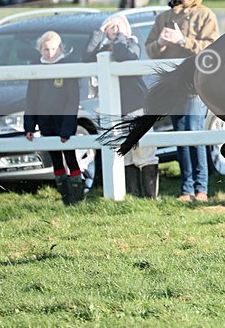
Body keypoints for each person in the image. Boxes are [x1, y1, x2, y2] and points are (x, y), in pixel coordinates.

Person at [146, 0, 219, 202]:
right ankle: (186, 189)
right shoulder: (164, 17)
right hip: (173, 86)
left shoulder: (206, 15)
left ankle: (202, 189)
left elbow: (212, 49)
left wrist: (182, 41)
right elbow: (149, 49)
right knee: (180, 135)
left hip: (197, 84)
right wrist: (160, 43)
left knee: (194, 132)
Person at [84, 14, 157, 198]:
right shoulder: (101, 51)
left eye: (118, 27)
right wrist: (99, 32)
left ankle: (150, 198)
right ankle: (133, 196)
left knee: (144, 151)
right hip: (116, 109)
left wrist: (120, 38)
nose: (114, 30)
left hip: (136, 105)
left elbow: (123, 55)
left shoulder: (131, 44)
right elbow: (86, 56)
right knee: (126, 155)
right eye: (110, 27)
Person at [24, 31, 84, 205]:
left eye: (54, 49)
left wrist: (67, 128)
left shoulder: (67, 67)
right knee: (56, 159)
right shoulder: (37, 69)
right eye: (46, 49)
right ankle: (66, 198)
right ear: (40, 50)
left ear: (61, 49)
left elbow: (73, 100)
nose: (50, 53)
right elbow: (31, 100)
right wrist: (29, 126)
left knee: (70, 158)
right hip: (45, 122)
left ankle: (77, 199)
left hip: (65, 122)